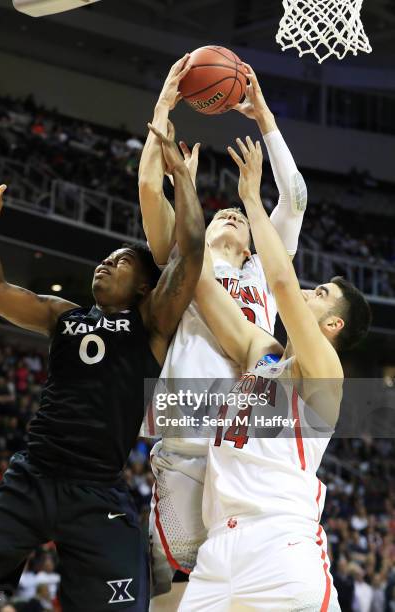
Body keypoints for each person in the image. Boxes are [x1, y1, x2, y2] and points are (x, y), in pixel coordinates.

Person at [0, 119, 205, 612]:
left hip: (96, 492)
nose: (105, 263)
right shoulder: (64, 316)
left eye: (120, 261)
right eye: (105, 258)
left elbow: (189, 251)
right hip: (32, 476)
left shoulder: (154, 322)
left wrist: (183, 182)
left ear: (146, 286)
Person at [138, 55, 308, 606]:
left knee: (248, 598)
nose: (230, 214)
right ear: (202, 228)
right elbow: (149, 189)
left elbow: (296, 199)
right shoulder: (183, 261)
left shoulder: (263, 269)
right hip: (187, 444)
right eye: (219, 214)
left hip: (248, 454)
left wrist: (265, 120)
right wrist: (164, 106)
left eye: (237, 213)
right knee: (181, 597)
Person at [178, 136, 371, 611]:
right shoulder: (262, 354)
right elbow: (199, 283)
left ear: (333, 325)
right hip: (218, 548)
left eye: (321, 293)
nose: (309, 290)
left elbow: (282, 281)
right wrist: (183, 189)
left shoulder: (326, 371)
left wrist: (250, 197)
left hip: (280, 544)